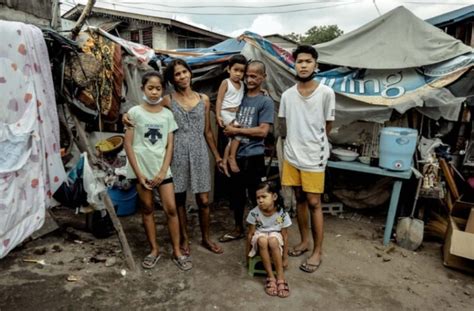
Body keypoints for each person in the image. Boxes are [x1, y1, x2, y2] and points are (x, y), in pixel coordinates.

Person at [123, 71, 191, 271]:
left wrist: (163, 172)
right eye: (150, 88)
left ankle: (177, 251)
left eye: (158, 88)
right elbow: (128, 145)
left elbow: (170, 145)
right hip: (141, 169)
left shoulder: (167, 115)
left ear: (163, 90)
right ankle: (154, 250)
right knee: (147, 209)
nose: (154, 92)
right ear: (143, 88)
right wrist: (139, 174)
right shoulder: (134, 113)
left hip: (162, 170)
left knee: (171, 209)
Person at [278, 45, 335, 273]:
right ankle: (303, 242)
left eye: (307, 61)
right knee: (299, 199)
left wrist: (314, 142)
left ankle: (317, 251)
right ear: (295, 64)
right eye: (299, 61)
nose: (303, 65)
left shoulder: (325, 93)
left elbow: (327, 125)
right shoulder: (287, 95)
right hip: (292, 154)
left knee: (314, 202)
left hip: (314, 156)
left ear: (315, 65)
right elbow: (284, 124)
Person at [219, 60, 274, 243]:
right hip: (237, 156)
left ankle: (261, 230)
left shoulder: (265, 101)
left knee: (257, 196)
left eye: (254, 76)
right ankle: (238, 228)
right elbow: (224, 105)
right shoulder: (239, 96)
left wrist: (236, 131)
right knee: (236, 196)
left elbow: (263, 131)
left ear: (263, 77)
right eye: (247, 75)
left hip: (254, 156)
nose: (249, 79)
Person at [246, 182, 291, 298]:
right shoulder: (254, 213)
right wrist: (247, 254)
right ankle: (270, 276)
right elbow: (250, 234)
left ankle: (280, 277)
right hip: (259, 238)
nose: (260, 200)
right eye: (258, 198)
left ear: (274, 197)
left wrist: (285, 257)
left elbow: (284, 235)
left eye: (264, 197)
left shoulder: (281, 214)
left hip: (275, 238)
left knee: (272, 240)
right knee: (262, 240)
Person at [215, 54, 247, 176]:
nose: (238, 74)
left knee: (232, 140)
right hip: (226, 112)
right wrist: (218, 115)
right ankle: (231, 157)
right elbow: (219, 99)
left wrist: (263, 91)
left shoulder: (243, 85)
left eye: (241, 71)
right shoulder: (226, 82)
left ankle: (224, 161)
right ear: (229, 69)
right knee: (239, 130)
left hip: (235, 114)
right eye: (235, 70)